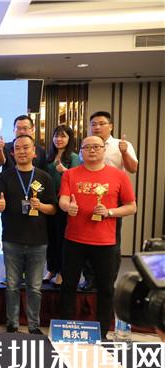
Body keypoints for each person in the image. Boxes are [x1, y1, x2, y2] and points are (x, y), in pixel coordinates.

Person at [59, 135, 136, 340]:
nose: (92, 150)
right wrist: (68, 207)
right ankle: (66, 329)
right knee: (68, 286)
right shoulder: (70, 174)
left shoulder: (119, 175)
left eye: (96, 147)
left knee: (105, 289)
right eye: (87, 147)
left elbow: (131, 207)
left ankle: (101, 333)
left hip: (104, 242)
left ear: (104, 150)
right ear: (80, 152)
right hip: (74, 240)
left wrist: (109, 212)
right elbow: (63, 200)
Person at [0, 134, 56, 334]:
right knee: (12, 285)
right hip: (12, 238)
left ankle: (33, 325)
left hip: (38, 240)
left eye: (26, 147)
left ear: (34, 152)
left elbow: (53, 209)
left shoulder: (44, 177)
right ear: (12, 153)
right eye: (18, 148)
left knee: (34, 287)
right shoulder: (5, 176)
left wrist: (41, 206)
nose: (22, 151)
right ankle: (12, 323)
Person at [80, 110, 139, 291]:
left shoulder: (121, 144)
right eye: (93, 124)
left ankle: (108, 281)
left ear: (111, 126)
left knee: (112, 241)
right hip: (88, 195)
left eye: (101, 123)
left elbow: (133, 168)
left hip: (113, 197)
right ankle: (89, 279)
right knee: (86, 237)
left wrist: (124, 152)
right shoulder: (87, 144)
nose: (97, 127)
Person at [45, 125, 81, 286]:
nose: (58, 139)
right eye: (56, 136)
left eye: (63, 136)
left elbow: (78, 180)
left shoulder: (73, 157)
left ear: (69, 139)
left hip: (64, 202)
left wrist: (64, 171)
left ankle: (62, 272)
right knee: (50, 238)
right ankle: (51, 269)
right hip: (48, 202)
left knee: (61, 239)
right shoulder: (48, 156)